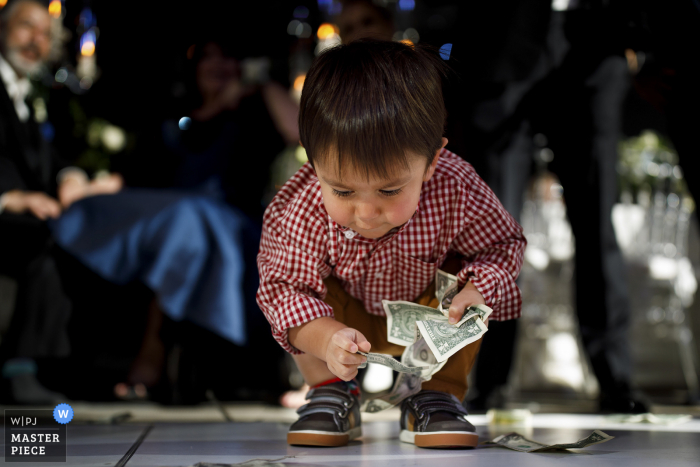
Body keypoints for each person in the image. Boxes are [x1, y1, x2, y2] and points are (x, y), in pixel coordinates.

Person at [256, 40, 526, 448]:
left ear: (432, 161)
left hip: (429, 316)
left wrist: (478, 288)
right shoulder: (300, 206)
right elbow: (283, 289)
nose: (366, 213)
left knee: (462, 280)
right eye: (343, 192)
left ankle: (437, 396)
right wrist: (326, 339)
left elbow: (501, 244)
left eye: (389, 190)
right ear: (313, 162)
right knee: (301, 289)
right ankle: (330, 390)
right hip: (341, 314)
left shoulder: (455, 187)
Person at [0, 0, 120, 404]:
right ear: (2, 29)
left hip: (28, 212)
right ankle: (22, 368)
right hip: (6, 214)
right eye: (25, 28)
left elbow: (49, 160)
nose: (36, 41)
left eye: (44, 34)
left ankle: (76, 367)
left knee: (89, 236)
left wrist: (71, 178)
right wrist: (11, 198)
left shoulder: (29, 93)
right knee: (48, 239)